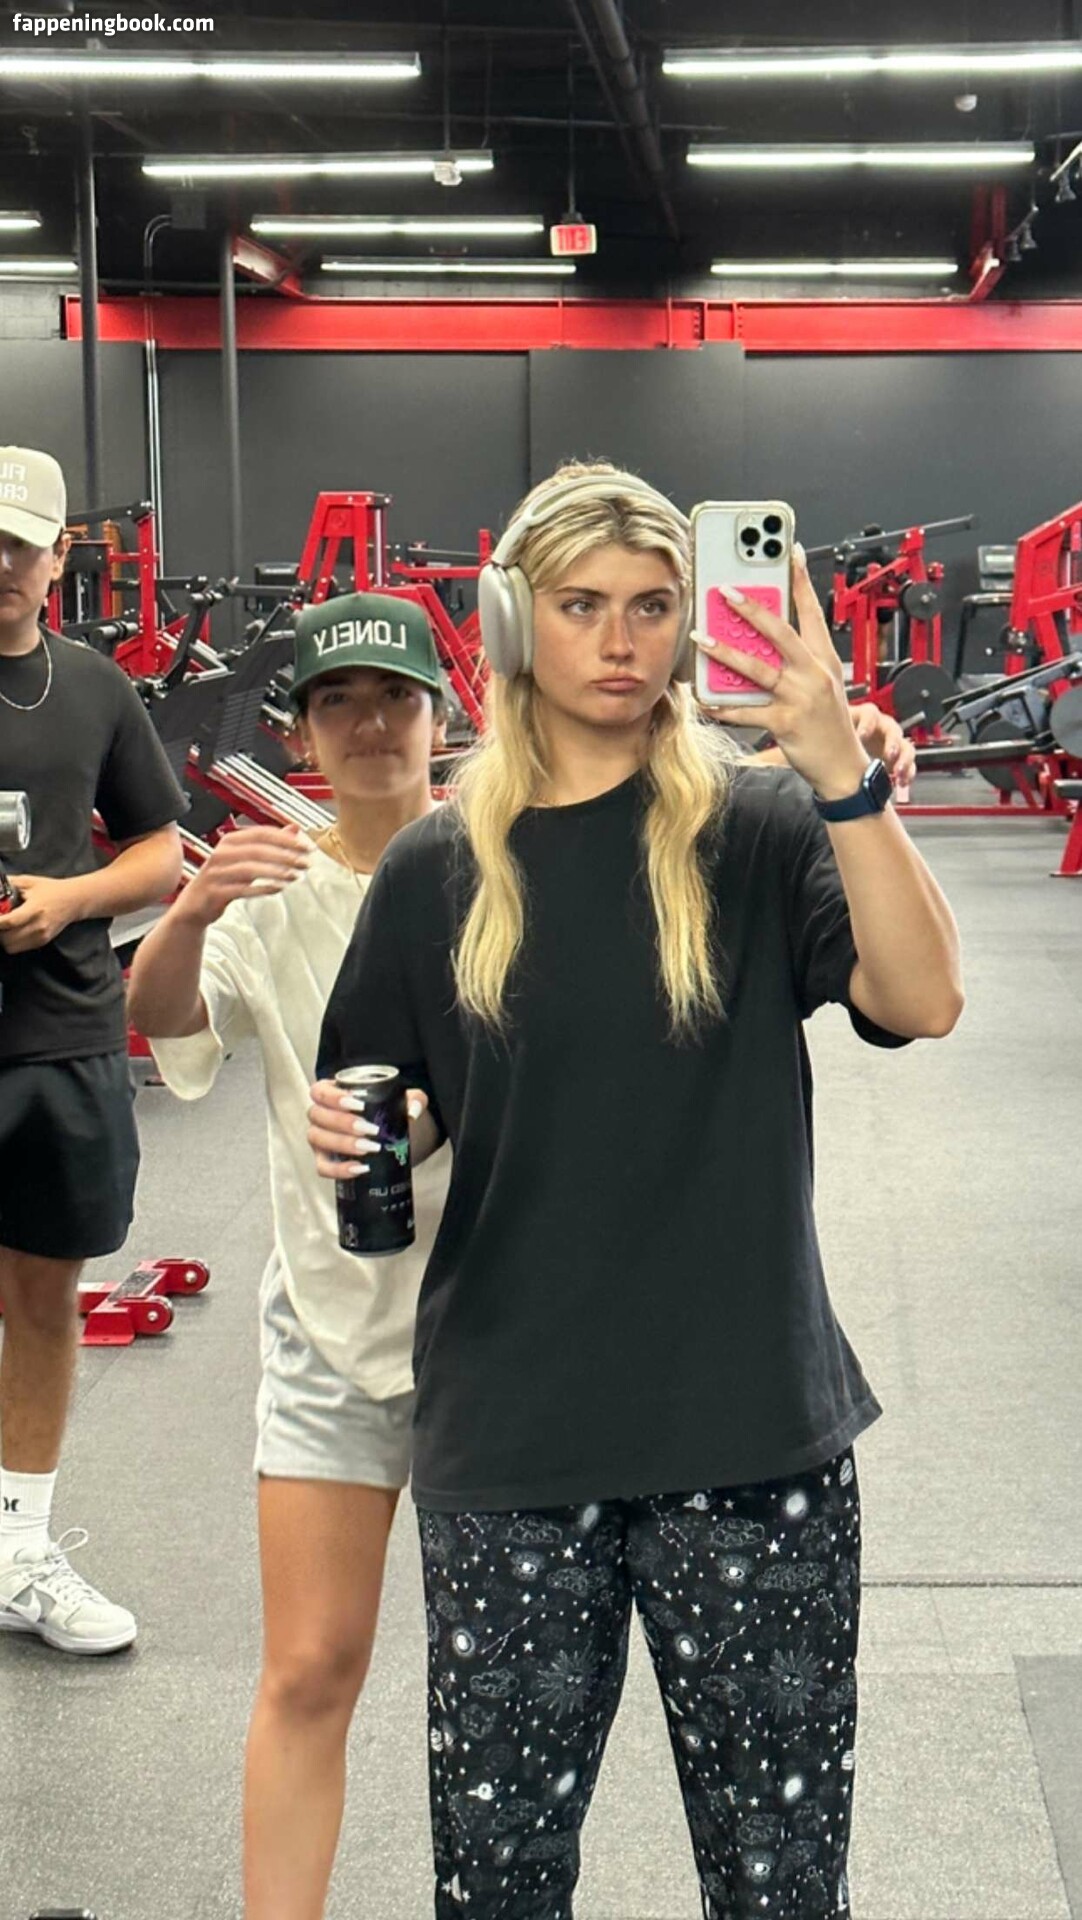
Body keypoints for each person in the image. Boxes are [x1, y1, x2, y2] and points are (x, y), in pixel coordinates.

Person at [306, 464, 963, 1920]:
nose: (620, 640)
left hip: (748, 1436)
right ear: (511, 623)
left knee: (779, 1886)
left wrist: (839, 772)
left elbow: (920, 1000)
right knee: (498, 1886)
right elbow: (398, 1101)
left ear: (691, 622)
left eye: (654, 606)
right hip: (514, 1443)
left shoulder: (762, 828)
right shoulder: (431, 870)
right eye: (580, 605)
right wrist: (367, 1127)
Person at [127, 591, 453, 1920]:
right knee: (311, 1669)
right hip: (330, 1328)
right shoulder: (267, 892)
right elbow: (166, 1023)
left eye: (394, 698)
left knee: (507, 1686)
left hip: (497, 1328)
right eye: (337, 702)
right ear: (302, 732)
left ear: (439, 716)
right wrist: (190, 908)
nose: (369, 724)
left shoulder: (507, 873)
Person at [0, 445, 185, 1655]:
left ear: (59, 554)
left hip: (56, 1034)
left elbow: (161, 851)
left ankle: (18, 1551)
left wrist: (68, 900)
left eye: (19, 545)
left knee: (42, 1295)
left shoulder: (94, 689)